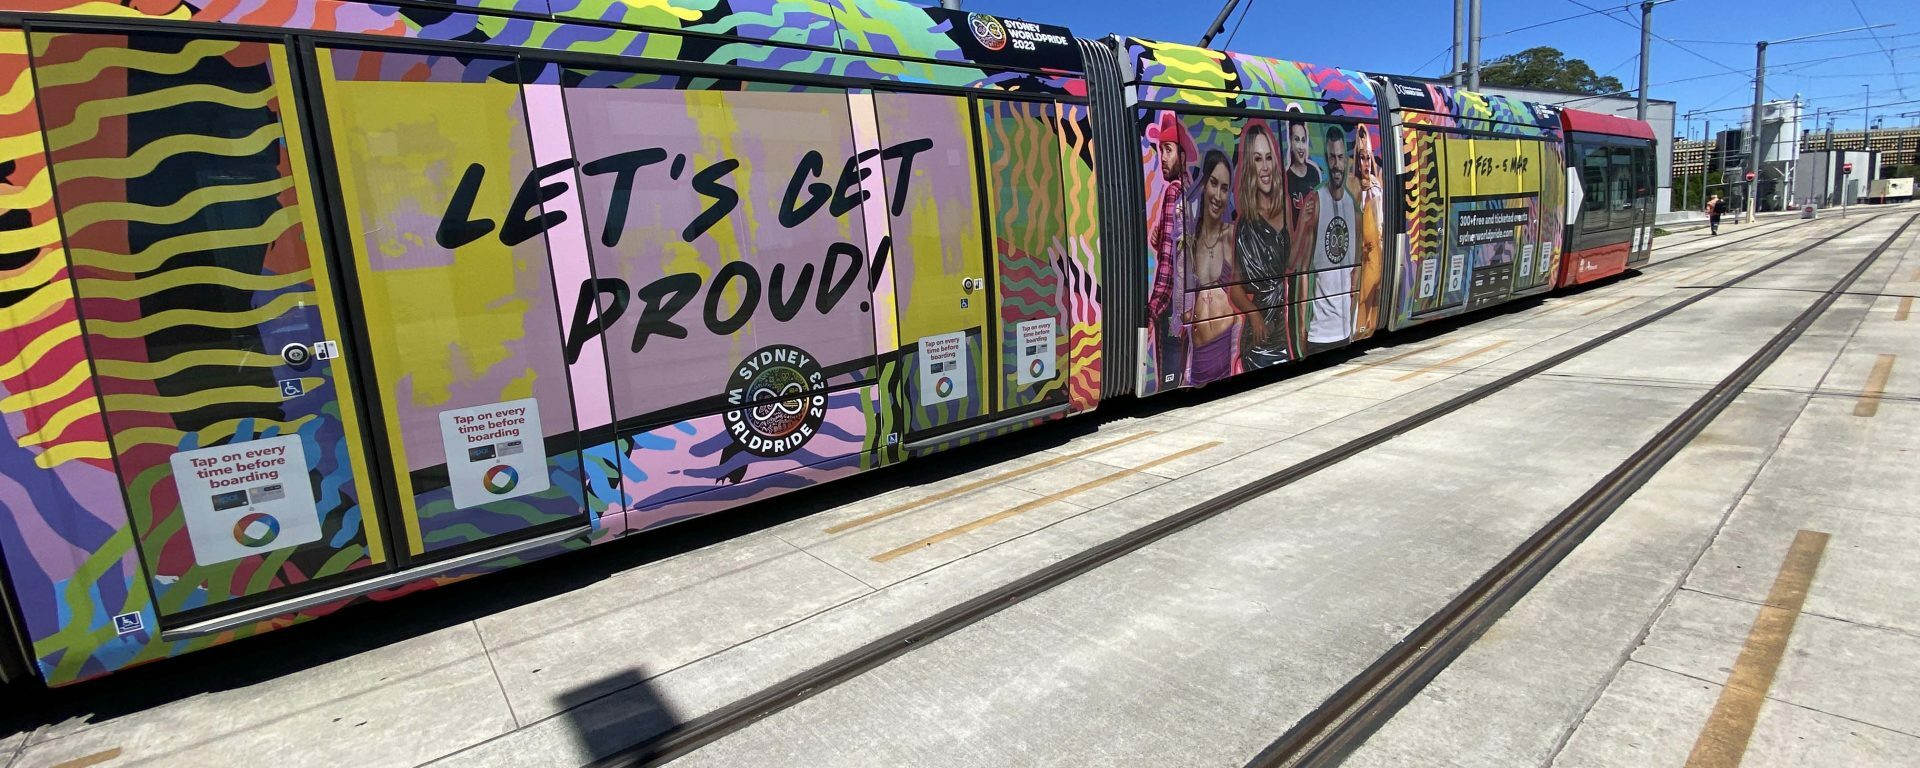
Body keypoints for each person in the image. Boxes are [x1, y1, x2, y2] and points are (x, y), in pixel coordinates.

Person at [1234, 120, 1294, 370]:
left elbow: (1294, 265)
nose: (1265, 167)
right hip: (1260, 338)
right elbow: (1235, 290)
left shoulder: (1285, 205)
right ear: (1250, 166)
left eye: (1269, 157)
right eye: (1258, 159)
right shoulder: (1245, 226)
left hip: (1287, 326)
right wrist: (1254, 315)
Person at [1144, 111, 1195, 388]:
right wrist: (1159, 239)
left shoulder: (1173, 193)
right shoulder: (1190, 190)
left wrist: (1153, 309)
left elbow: (1168, 264)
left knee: (1169, 377)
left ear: (1182, 156)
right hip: (1187, 304)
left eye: (1168, 150)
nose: (1162, 157)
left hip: (1171, 308)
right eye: (1160, 150)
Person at [1184, 150, 1243, 386]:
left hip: (1225, 355)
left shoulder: (1232, 236)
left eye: (1225, 188)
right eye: (1214, 183)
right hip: (1198, 360)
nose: (1218, 195)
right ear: (1203, 184)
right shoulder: (1190, 239)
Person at [1305, 125, 1357, 353]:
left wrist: (1351, 323)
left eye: (1340, 157)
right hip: (1318, 332)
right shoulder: (1316, 202)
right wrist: (1302, 330)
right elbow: (1302, 268)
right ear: (1327, 160)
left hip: (1345, 331)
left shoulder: (1354, 210)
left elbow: (1355, 273)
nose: (1336, 164)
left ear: (1346, 161)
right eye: (1332, 157)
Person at [1350, 124, 1384, 338]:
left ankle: (1367, 325)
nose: (1366, 163)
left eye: (1369, 158)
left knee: (1373, 299)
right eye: (1362, 158)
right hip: (1361, 255)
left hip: (1376, 253)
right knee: (1361, 301)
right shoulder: (1353, 186)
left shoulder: (1376, 185)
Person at [1283, 112, 1322, 275]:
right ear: (1290, 142)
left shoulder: (1314, 173)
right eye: (1296, 140)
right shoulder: (1286, 178)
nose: (1300, 147)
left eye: (1303, 140)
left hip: (1314, 254)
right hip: (1295, 257)